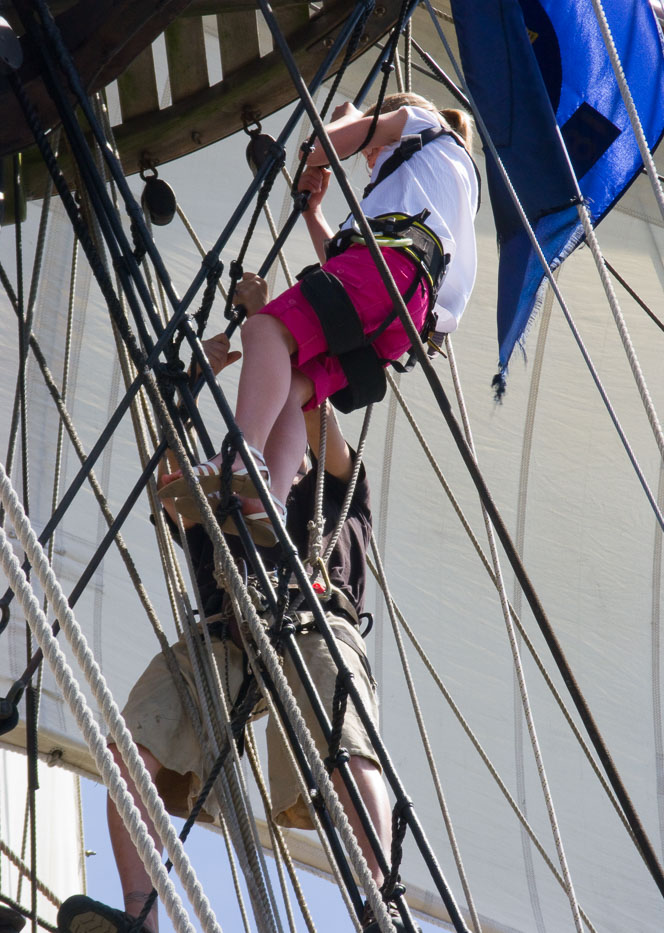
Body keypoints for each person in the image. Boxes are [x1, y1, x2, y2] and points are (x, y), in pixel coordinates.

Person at [57, 334, 404, 933]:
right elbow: (170, 474)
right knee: (131, 748)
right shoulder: (216, 510)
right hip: (222, 639)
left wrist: (292, 341)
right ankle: (139, 916)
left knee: (344, 746)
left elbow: (318, 420)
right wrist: (191, 382)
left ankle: (380, 902)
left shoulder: (338, 496)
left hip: (314, 621)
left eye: (277, 446)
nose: (268, 456)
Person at [159, 91, 479, 548]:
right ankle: (265, 501)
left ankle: (241, 457)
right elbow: (349, 262)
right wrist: (313, 214)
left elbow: (318, 149)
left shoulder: (416, 122)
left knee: (263, 329)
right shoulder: (446, 182)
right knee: (292, 388)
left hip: (386, 270)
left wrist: (347, 119)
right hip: (403, 316)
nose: (368, 161)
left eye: (372, 150)